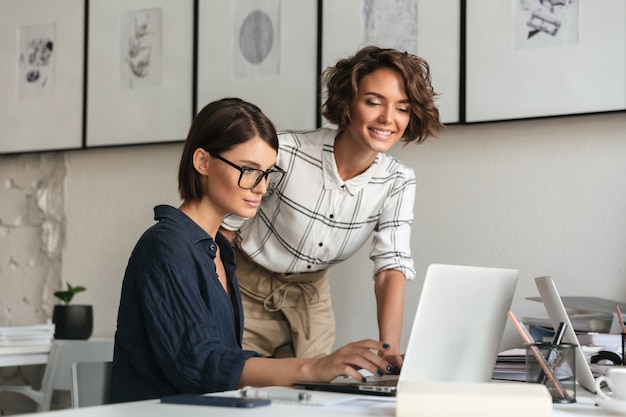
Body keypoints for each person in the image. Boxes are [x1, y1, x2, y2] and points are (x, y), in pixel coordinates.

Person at [109, 97, 394, 403]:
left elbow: (221, 358)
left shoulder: (218, 249)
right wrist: (314, 367)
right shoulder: (166, 246)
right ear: (202, 161)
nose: (261, 187)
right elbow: (198, 362)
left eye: (268, 173)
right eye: (249, 170)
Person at [221, 46, 444, 368]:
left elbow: (391, 265)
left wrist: (389, 350)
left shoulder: (398, 180)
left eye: (402, 108)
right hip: (243, 286)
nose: (387, 118)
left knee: (308, 398)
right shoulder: (287, 152)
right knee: (227, 384)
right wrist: (215, 299)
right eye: (373, 102)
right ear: (347, 103)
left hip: (311, 300)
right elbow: (223, 228)